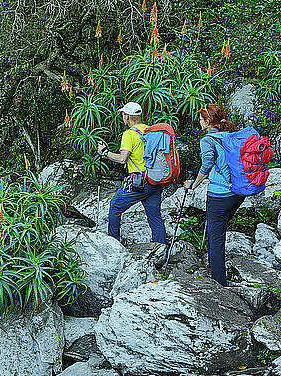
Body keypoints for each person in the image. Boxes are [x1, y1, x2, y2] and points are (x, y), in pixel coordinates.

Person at [183, 104, 242, 287]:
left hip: (220, 195)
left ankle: (219, 283)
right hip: (237, 194)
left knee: (215, 239)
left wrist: (193, 184)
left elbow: (207, 164)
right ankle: (215, 270)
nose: (199, 122)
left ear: (208, 121)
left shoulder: (208, 140)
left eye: (201, 119)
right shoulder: (231, 135)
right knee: (220, 231)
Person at [97, 102, 167, 244]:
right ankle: (161, 248)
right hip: (155, 181)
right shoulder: (150, 131)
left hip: (138, 182)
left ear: (128, 116)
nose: (123, 117)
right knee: (155, 217)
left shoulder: (129, 134)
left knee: (115, 206)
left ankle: (113, 244)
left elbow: (123, 159)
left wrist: (105, 153)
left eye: (123, 114)